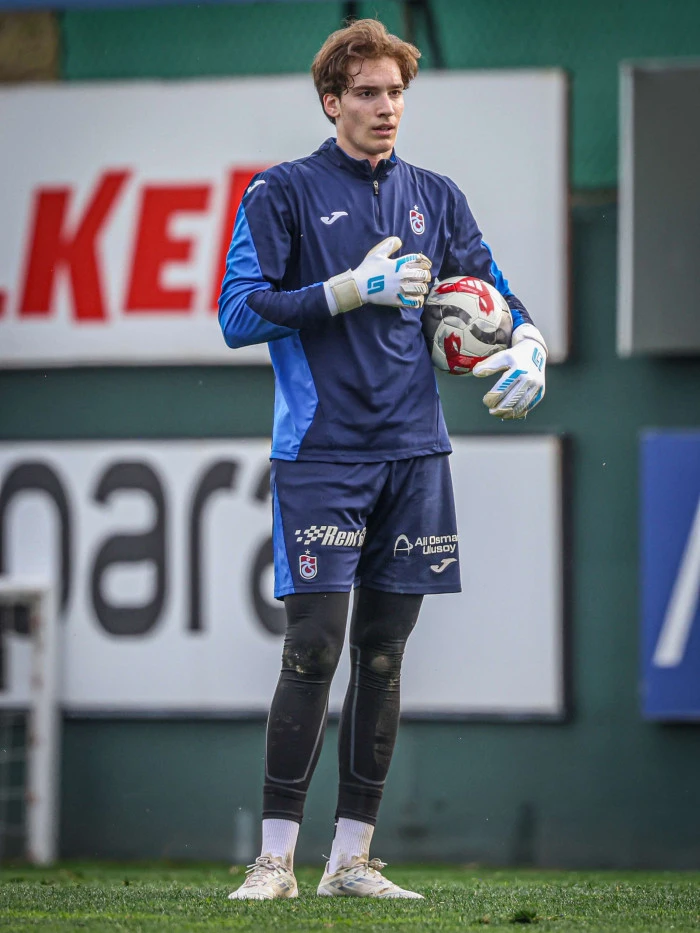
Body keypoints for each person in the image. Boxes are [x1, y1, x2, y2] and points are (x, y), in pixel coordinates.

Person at [218, 18, 547, 900]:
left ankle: (351, 861)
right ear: (332, 102)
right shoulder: (281, 192)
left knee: (384, 654)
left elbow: (493, 290)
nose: (386, 106)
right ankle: (275, 860)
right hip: (322, 453)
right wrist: (348, 289)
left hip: (415, 454)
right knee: (312, 648)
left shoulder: (436, 196)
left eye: (396, 92)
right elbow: (238, 314)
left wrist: (529, 341)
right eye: (367, 92)